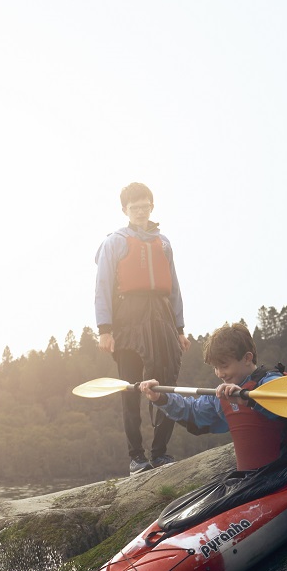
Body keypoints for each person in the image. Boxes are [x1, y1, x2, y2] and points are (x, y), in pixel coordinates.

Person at [96, 182, 189, 475]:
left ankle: (160, 452)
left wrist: (180, 328)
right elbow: (103, 286)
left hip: (161, 317)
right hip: (128, 320)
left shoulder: (164, 243)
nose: (139, 211)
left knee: (166, 385)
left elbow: (174, 287)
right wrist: (105, 329)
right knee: (131, 387)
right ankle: (136, 457)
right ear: (125, 210)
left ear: (152, 206)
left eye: (144, 205)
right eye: (133, 207)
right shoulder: (115, 242)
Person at [138, 322, 287, 473]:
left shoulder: (271, 382)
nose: (219, 373)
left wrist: (247, 399)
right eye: (215, 367)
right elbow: (192, 411)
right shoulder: (225, 395)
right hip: (255, 479)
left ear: (247, 358)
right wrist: (160, 397)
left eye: (224, 366)